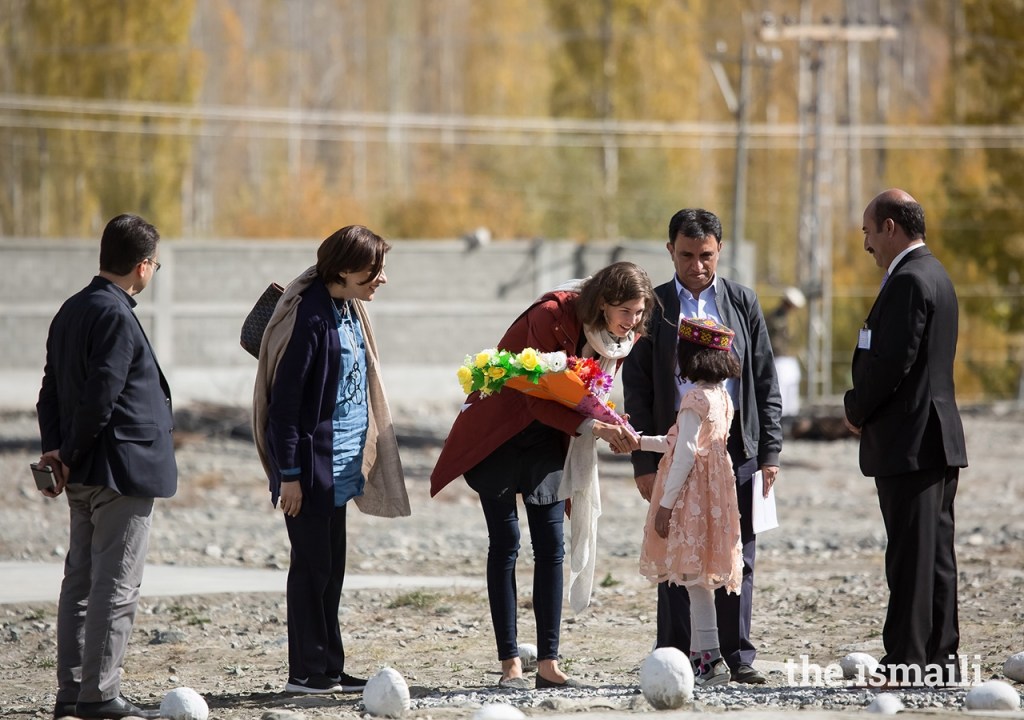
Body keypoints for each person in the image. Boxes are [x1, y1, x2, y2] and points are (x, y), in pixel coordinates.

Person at [430, 262, 653, 690]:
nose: (633, 321)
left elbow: (590, 398)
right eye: (626, 311)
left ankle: (549, 663)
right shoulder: (549, 316)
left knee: (551, 545)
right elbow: (536, 396)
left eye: (639, 312)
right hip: (499, 436)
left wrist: (609, 422)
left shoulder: (618, 339)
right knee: (506, 543)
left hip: (549, 443)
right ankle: (510, 663)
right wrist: (595, 427)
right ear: (603, 302)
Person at [623, 208, 782, 684]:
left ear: (720, 251)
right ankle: (676, 656)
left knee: (737, 552)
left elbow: (764, 380)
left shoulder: (743, 302)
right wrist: (644, 462)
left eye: (706, 255)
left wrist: (770, 452)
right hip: (676, 451)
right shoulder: (652, 308)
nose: (697, 266)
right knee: (678, 556)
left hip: (738, 451)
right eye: (687, 255)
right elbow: (639, 389)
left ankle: (737, 658)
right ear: (670, 250)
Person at [252, 225, 411, 694]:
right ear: (343, 269)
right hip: (309, 468)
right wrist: (291, 477)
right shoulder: (311, 318)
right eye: (373, 270)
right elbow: (284, 409)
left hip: (340, 467)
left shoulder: (347, 306)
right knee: (311, 569)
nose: (380, 279)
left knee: (331, 570)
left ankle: (329, 667)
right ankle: (304, 673)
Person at [36, 214, 175, 720]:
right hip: (119, 470)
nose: (152, 272)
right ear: (142, 265)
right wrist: (67, 454)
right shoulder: (115, 314)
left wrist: (57, 451)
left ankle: (72, 692)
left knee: (80, 582)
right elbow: (102, 396)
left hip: (81, 472)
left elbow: (49, 391)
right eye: (154, 264)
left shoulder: (73, 308)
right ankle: (99, 696)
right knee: (114, 585)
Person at [843, 189, 967, 687]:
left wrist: (856, 408)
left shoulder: (911, 281)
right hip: (934, 438)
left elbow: (894, 361)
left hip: (911, 440)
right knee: (935, 554)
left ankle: (906, 663)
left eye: (869, 232)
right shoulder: (935, 273)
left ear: (891, 227)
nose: (867, 244)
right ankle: (941, 658)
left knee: (911, 556)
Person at [637, 316, 743, 687]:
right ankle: (705, 658)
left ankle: (710, 659)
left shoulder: (693, 399)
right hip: (714, 492)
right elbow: (675, 442)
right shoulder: (721, 396)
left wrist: (665, 505)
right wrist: (637, 441)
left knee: (693, 575)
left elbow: (683, 455)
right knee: (696, 576)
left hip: (690, 494)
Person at [765, 286, 806, 420]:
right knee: (781, 390)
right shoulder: (776, 318)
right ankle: (780, 419)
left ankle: (789, 418)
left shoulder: (790, 319)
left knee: (791, 390)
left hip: (789, 358)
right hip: (779, 358)